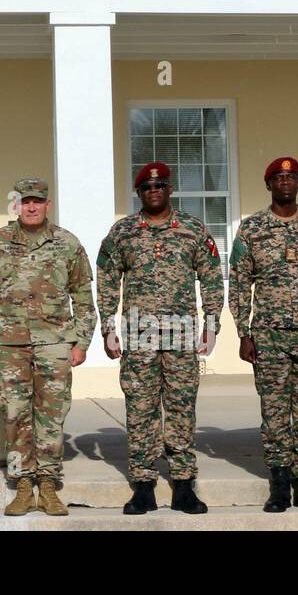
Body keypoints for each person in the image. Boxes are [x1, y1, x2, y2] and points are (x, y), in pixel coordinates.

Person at [97, 162, 223, 515]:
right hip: (139, 333)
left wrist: (211, 326)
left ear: (170, 190)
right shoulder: (123, 232)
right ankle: (143, 485)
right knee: (140, 409)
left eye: (160, 186)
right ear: (139, 193)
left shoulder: (192, 229)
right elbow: (107, 279)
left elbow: (211, 278)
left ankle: (183, 484)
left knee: (182, 406)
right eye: (147, 187)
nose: (154, 191)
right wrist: (108, 329)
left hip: (182, 333)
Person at [0, 177, 94, 516]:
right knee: (14, 415)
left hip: (55, 344)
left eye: (37, 201)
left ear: (47, 205)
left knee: (52, 416)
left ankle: (50, 484)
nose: (31, 206)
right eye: (25, 201)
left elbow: (83, 299)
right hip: (10, 346)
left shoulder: (67, 244)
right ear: (17, 204)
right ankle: (23, 484)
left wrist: (81, 341)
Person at [229, 157, 298, 513]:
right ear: (269, 185)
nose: (285, 183)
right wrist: (243, 332)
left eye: (291, 177)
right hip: (269, 335)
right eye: (279, 177)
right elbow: (240, 282)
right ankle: (279, 483)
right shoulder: (252, 229)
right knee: (274, 411)